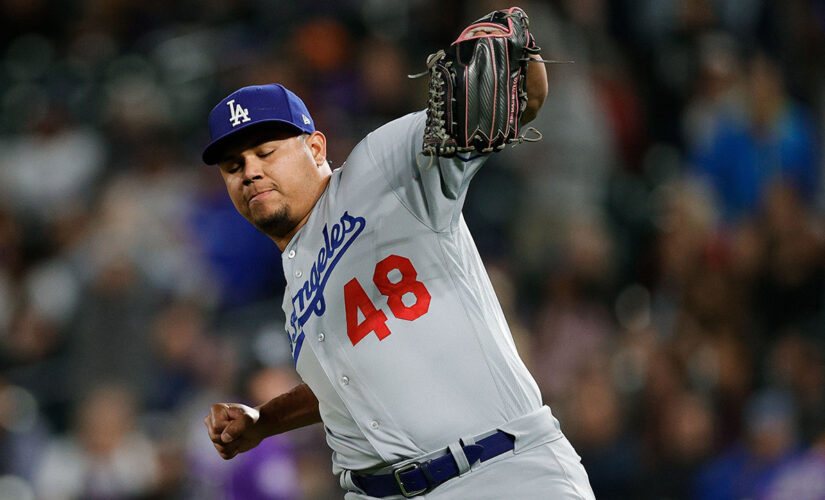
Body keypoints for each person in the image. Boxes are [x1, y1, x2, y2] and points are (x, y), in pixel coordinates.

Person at [202, 8, 595, 499]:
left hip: (498, 471)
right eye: (234, 164)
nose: (250, 171)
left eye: (267, 151)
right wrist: (264, 421)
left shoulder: (380, 165)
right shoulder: (295, 294)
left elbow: (514, 103)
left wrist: (523, 77)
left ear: (317, 148)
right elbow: (340, 390)